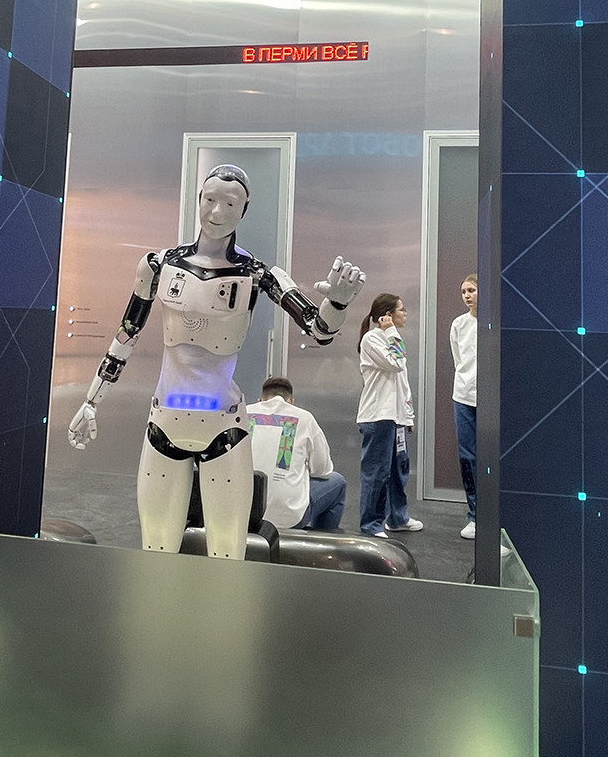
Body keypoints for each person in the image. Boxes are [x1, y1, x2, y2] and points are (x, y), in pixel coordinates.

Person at [68, 164, 365, 560]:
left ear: (244, 209)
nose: (217, 211)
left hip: (224, 427)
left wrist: (338, 303)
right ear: (199, 200)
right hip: (165, 421)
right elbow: (126, 334)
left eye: (230, 203)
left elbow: (318, 329)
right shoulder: (159, 265)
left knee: (228, 558)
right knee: (155, 555)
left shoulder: (259, 274)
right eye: (210, 199)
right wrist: (92, 400)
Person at [357, 292, 423, 538]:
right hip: (378, 416)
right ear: (387, 315)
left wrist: (407, 416)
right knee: (377, 472)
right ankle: (371, 525)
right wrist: (391, 332)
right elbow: (396, 363)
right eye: (401, 309)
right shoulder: (372, 339)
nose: (405, 313)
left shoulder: (389, 338)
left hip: (396, 416)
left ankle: (397, 518)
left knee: (398, 470)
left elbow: (402, 383)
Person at [247, 377, 347, 531]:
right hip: (287, 519)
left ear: (260, 400)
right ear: (291, 401)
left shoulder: (243, 413)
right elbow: (323, 470)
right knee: (337, 482)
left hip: (241, 515)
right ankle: (322, 542)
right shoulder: (305, 418)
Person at [450, 273, 478, 540]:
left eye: (472, 290)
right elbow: (459, 360)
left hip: (490, 399)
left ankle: (495, 516)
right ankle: (474, 515)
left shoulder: (494, 323)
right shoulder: (459, 324)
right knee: (468, 457)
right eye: (463, 292)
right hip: (463, 396)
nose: (467, 295)